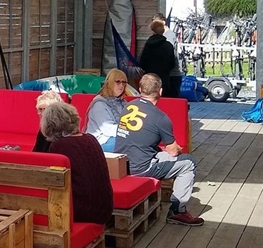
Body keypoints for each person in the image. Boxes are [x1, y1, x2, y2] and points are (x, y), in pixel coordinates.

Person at [114, 73, 204, 226]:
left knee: (161, 155)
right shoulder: (161, 118)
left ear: (140, 89)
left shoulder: (128, 107)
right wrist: (177, 150)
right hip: (141, 168)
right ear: (160, 91)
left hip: (121, 165)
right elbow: (173, 151)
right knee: (189, 163)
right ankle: (178, 211)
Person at [41, 103, 113, 224]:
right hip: (104, 207)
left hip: (84, 211)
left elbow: (54, 182)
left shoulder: (60, 146)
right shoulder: (90, 138)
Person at [85, 68, 129, 151]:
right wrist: (129, 130)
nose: (121, 85)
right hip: (100, 141)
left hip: (117, 137)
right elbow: (108, 129)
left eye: (124, 82)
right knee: (128, 144)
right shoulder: (99, 103)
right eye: (118, 82)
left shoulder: (123, 102)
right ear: (110, 83)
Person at [139, 16, 179, 99]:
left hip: (149, 79)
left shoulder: (148, 45)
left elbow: (142, 62)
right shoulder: (168, 46)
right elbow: (172, 64)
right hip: (164, 80)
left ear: (152, 30)